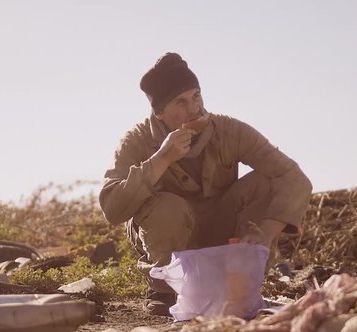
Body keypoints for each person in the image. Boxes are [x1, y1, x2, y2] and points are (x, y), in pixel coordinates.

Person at [99, 52, 312, 316]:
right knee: (168, 207)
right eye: (181, 102)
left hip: (220, 233)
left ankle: (239, 285)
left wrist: (264, 233)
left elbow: (294, 178)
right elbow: (112, 208)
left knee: (267, 181)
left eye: (196, 96)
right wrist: (162, 158)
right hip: (170, 240)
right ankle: (165, 292)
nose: (194, 109)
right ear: (160, 112)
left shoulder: (229, 130)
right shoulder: (136, 140)